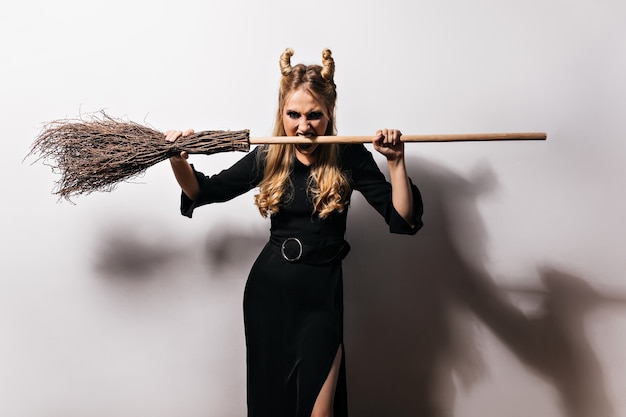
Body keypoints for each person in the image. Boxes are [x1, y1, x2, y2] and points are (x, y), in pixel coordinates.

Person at [165, 48, 424, 417]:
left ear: (329, 113)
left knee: (321, 412)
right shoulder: (270, 155)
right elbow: (202, 192)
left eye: (314, 115)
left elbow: (402, 218)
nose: (303, 126)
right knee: (272, 405)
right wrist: (177, 158)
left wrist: (396, 162)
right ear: (282, 112)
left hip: (321, 295)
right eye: (294, 115)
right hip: (269, 293)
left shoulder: (348, 155)